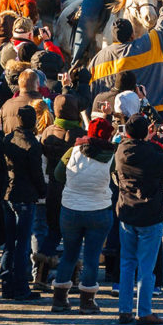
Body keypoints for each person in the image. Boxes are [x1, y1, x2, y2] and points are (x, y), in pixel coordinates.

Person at [114, 112, 163, 325]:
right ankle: (144, 311)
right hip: (150, 215)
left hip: (127, 213)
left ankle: (124, 309)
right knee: (146, 266)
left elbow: (138, 144)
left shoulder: (121, 151)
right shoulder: (153, 154)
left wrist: (149, 137)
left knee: (127, 264)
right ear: (147, 131)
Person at [47, 112, 114, 313]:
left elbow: (58, 175)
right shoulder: (112, 156)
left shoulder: (73, 151)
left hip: (70, 210)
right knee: (92, 257)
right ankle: (87, 302)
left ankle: (59, 299)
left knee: (69, 254)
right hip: (99, 210)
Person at [90, 0, 163, 122]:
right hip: (156, 118)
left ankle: (75, 61)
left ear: (113, 38)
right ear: (132, 35)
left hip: (114, 124)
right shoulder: (151, 43)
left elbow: (92, 95)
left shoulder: (96, 60)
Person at [1, 106, 45, 301]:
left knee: (10, 243)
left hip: (8, 193)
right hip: (26, 195)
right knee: (23, 243)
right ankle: (20, 286)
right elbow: (36, 173)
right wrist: (43, 191)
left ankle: (6, 284)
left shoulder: (8, 139)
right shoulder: (32, 144)